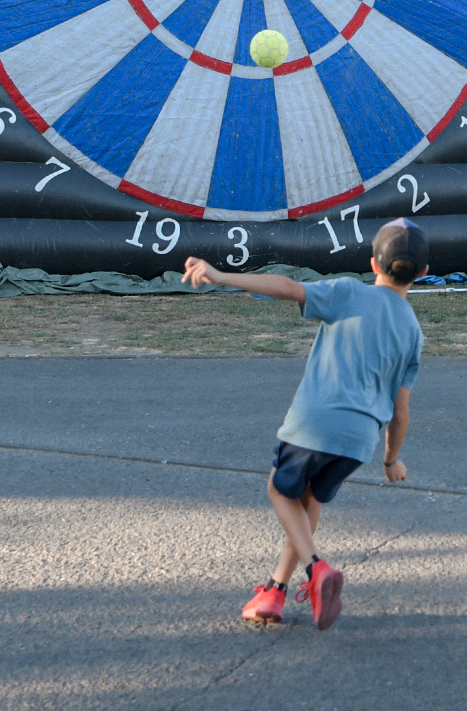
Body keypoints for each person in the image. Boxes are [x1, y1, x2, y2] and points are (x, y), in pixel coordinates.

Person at [183, 217, 427, 630]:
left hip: (317, 423)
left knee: (279, 490)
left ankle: (316, 569)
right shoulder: (413, 332)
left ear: (372, 264)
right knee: (309, 500)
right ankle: (274, 593)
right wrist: (391, 460)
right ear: (423, 273)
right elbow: (401, 410)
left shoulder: (349, 292)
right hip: (359, 441)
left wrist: (222, 275)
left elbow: (289, 288)